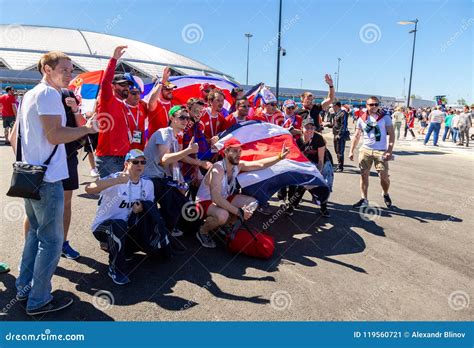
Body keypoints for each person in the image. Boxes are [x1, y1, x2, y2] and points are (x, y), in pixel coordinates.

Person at [13, 51, 97, 315]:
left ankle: (24, 289)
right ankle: (39, 300)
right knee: (51, 241)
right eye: (65, 69)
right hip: (48, 179)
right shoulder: (48, 94)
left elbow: (16, 135)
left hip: (31, 174)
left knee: (35, 236)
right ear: (47, 69)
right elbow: (55, 134)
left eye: (72, 69)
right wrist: (87, 129)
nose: (70, 74)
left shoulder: (29, 94)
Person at [195, 138, 290, 248]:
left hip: (223, 199)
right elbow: (215, 198)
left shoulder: (237, 165)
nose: (238, 154)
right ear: (225, 152)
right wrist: (238, 211)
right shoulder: (218, 168)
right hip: (204, 202)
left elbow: (260, 164)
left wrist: (279, 157)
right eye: (235, 151)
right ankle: (203, 231)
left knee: (252, 203)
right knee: (223, 215)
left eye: (240, 151)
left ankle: (226, 225)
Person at [85, 149, 162, 285]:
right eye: (135, 162)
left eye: (143, 162)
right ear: (126, 164)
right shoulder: (115, 177)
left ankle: (126, 249)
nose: (140, 165)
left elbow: (152, 207)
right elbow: (89, 188)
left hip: (128, 227)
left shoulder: (147, 184)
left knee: (145, 218)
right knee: (118, 225)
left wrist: (143, 207)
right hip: (104, 226)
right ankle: (116, 269)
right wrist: (116, 181)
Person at [143, 106, 211, 236]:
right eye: (181, 117)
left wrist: (199, 163)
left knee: (183, 204)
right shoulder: (164, 133)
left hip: (162, 178)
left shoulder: (175, 136)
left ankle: (167, 232)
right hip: (151, 178)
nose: (185, 120)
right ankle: (161, 235)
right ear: (172, 118)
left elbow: (178, 158)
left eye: (187, 118)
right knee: (175, 204)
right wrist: (189, 150)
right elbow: (165, 159)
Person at [95, 46, 134, 178]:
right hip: (109, 158)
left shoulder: (123, 105)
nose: (126, 88)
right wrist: (114, 59)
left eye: (128, 85)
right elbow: (105, 82)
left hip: (123, 156)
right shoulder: (107, 99)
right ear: (113, 86)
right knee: (109, 195)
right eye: (122, 85)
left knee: (120, 195)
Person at [349, 96, 395, 209]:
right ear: (366, 106)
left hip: (381, 151)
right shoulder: (362, 119)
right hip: (365, 150)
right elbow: (356, 136)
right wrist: (351, 151)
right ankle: (364, 199)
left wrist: (389, 151)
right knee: (364, 175)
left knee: (383, 177)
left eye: (376, 104)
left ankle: (385, 193)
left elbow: (392, 135)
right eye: (371, 104)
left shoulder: (385, 118)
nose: (374, 106)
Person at [285, 117, 332, 217]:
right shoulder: (299, 142)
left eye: (312, 127)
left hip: (323, 162)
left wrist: (317, 174)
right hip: (309, 163)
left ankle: (323, 207)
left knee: (324, 185)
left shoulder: (318, 139)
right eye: (307, 127)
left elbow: (320, 160)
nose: (310, 130)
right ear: (302, 129)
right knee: (303, 184)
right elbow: (301, 159)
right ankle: (292, 206)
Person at [147, 66, 177, 137]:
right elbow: (151, 102)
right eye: (167, 89)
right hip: (156, 144)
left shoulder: (174, 105)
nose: (170, 91)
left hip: (171, 142)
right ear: (160, 90)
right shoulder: (155, 103)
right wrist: (162, 82)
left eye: (171, 89)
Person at [123, 75, 148, 151]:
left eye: (138, 92)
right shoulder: (120, 106)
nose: (137, 96)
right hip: (124, 152)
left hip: (140, 150)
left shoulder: (143, 105)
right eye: (133, 93)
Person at [331, 101, 349, 172]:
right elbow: (335, 124)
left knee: (340, 151)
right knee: (336, 150)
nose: (332, 107)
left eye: (333, 106)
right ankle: (339, 166)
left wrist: (339, 134)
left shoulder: (343, 113)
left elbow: (343, 125)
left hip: (340, 136)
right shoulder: (336, 114)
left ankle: (340, 167)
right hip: (335, 134)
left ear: (337, 106)